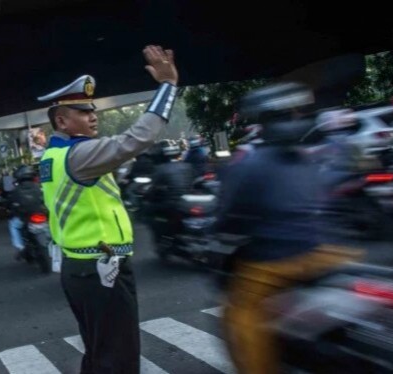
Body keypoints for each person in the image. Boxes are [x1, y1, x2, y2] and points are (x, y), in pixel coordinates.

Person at [37, 45, 178, 374]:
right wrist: (168, 86)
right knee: (119, 360)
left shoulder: (54, 156)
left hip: (82, 268)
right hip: (99, 269)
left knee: (102, 354)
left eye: (92, 110)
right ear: (62, 120)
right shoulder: (80, 155)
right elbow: (138, 137)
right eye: (83, 111)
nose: (93, 115)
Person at [216, 82, 362, 374]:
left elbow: (227, 216)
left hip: (273, 264)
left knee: (242, 317)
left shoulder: (248, 164)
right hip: (324, 253)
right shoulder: (313, 158)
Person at [146, 139, 195, 239]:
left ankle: (160, 237)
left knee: (148, 211)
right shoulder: (188, 166)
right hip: (188, 202)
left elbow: (152, 188)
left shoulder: (161, 169)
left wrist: (148, 196)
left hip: (172, 204)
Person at [6, 165, 46, 260]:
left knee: (13, 226)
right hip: (41, 214)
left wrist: (9, 208)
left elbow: (9, 202)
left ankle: (20, 247)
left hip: (24, 217)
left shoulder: (16, 190)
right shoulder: (39, 187)